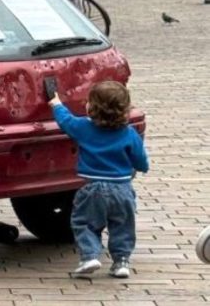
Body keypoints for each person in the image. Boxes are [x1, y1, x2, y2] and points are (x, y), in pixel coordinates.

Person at [49, 81, 149, 278]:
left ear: (91, 108)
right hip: (122, 189)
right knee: (123, 226)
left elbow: (66, 121)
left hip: (92, 188)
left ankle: (89, 256)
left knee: (84, 223)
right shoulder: (129, 133)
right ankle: (121, 261)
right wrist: (141, 167)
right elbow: (141, 161)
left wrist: (56, 104)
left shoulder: (84, 128)